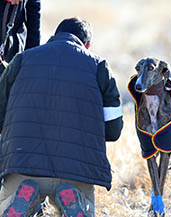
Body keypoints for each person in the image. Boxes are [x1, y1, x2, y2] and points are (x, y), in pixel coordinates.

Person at [0, 17, 123, 217]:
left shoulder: (22, 59)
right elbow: (113, 129)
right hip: (77, 170)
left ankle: (23, 199)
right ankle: (74, 199)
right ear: (88, 45)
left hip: (22, 164)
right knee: (82, 205)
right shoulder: (99, 66)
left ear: (53, 37)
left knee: (9, 203)